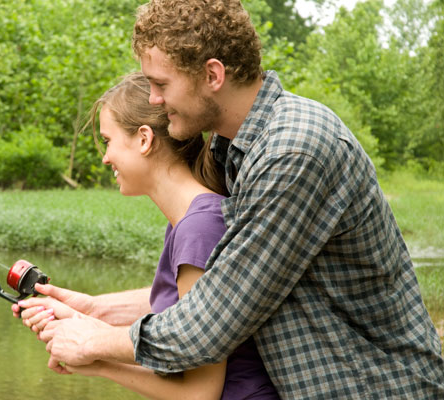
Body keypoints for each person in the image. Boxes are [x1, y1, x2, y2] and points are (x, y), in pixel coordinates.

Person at [27, 0, 444, 398]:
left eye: (161, 84)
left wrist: (95, 342)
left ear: (212, 75)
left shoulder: (294, 150)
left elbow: (208, 324)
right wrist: (98, 309)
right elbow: (223, 285)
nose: (153, 99)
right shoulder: (237, 150)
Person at [14, 71, 280, 399]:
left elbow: (199, 393)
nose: (105, 157)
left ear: (144, 139)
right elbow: (176, 327)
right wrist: (90, 314)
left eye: (108, 141)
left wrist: (96, 358)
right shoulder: (188, 222)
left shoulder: (199, 229)